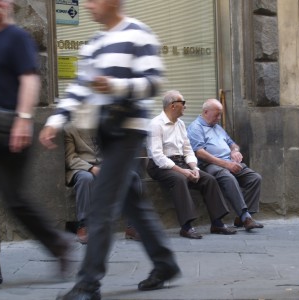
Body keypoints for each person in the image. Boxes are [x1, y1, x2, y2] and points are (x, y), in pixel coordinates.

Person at [39, 0, 179, 299]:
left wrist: (114, 86)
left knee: (101, 204)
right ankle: (165, 262)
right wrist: (55, 120)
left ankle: (89, 283)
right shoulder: (94, 44)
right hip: (104, 130)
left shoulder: (139, 34)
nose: (87, 5)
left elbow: (153, 83)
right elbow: (78, 87)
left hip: (129, 130)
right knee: (131, 201)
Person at [0, 0, 71, 287]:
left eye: (0, 0)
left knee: (13, 199)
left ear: (7, 5)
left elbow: (30, 79)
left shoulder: (17, 37)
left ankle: (57, 243)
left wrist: (23, 119)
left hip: (9, 126)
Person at [146, 90, 237, 240]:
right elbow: (158, 156)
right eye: (183, 103)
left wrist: (194, 168)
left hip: (182, 162)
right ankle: (186, 226)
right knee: (179, 179)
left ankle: (217, 223)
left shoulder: (181, 124)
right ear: (173, 106)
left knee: (208, 179)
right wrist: (182, 171)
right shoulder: (156, 124)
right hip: (160, 166)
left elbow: (188, 150)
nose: (185, 107)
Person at [187, 99, 264, 231]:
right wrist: (226, 164)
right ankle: (246, 217)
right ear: (206, 112)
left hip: (229, 161)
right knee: (228, 177)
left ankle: (243, 217)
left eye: (220, 114)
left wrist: (235, 151)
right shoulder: (195, 128)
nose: (219, 118)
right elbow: (200, 153)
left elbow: (232, 143)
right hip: (210, 164)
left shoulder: (218, 127)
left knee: (255, 178)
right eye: (216, 114)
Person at [64, 124, 140, 244]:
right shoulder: (70, 128)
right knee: (86, 179)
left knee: (132, 177)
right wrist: (91, 168)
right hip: (81, 169)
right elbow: (70, 159)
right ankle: (84, 225)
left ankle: (132, 226)